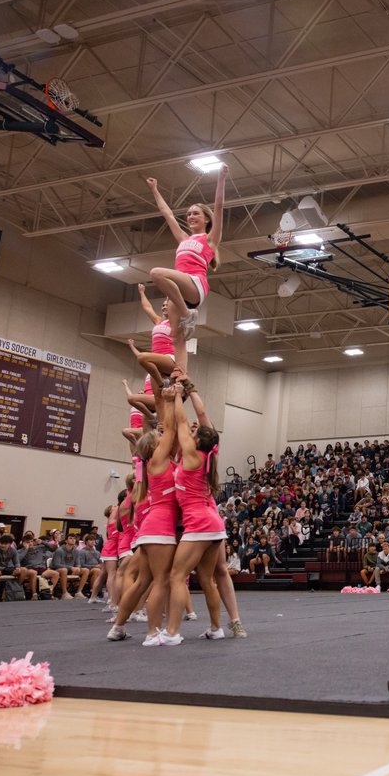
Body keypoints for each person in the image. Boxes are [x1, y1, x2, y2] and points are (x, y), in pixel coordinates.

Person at [107, 384, 180, 643]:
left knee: (141, 582)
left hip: (149, 528)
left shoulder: (149, 465)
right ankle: (152, 632)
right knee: (161, 581)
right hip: (160, 528)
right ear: (154, 447)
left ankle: (117, 627)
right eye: (159, 440)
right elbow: (172, 430)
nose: (163, 440)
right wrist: (170, 402)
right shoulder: (159, 460)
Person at [161, 386, 228, 644]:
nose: (191, 432)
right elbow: (199, 415)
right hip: (212, 524)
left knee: (177, 576)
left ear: (198, 440)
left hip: (199, 523)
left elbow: (180, 421)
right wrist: (187, 390)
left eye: (195, 432)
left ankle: (173, 633)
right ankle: (216, 628)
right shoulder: (210, 455)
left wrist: (178, 395)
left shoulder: (192, 455)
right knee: (207, 578)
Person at [145, 165, 227, 374]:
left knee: (156, 273)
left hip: (194, 285)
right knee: (177, 337)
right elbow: (167, 214)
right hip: (179, 294)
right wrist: (155, 190)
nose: (190, 216)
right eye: (189, 214)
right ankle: (181, 379)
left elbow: (218, 207)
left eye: (196, 213)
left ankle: (187, 313)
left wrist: (221, 178)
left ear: (206, 219)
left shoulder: (210, 240)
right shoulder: (183, 238)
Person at [0, 534, 34, 601]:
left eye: (5, 544)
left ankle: (16, 589)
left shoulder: (13, 550)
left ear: (10, 544)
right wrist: (5, 569)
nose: (3, 545)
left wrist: (17, 568)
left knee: (23, 570)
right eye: (1, 543)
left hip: (7, 568)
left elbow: (17, 562)